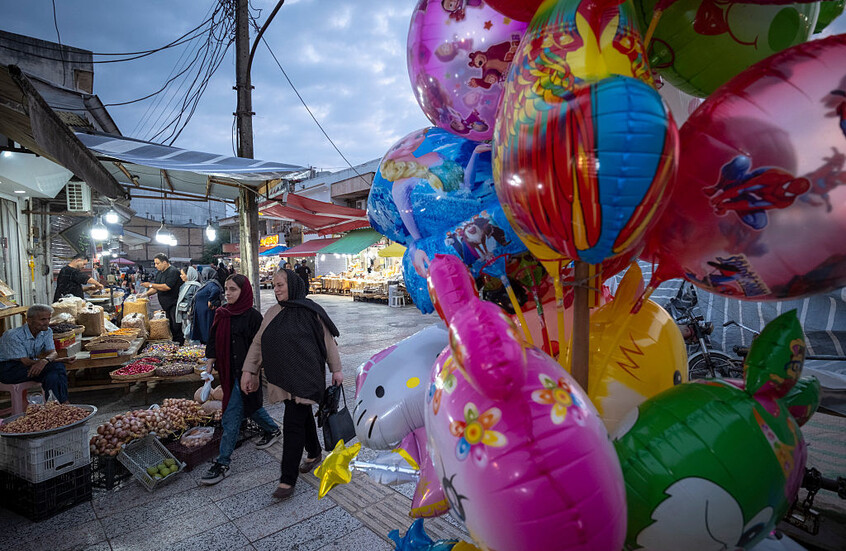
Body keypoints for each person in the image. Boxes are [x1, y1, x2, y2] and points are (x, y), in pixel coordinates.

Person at [241, 268, 342, 499]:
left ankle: (287, 479)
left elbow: (329, 342)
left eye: (280, 285)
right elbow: (258, 344)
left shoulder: (311, 311)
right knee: (300, 412)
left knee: (293, 420)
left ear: (293, 285)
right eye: (274, 285)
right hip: (282, 377)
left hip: (307, 375)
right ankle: (314, 452)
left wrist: (336, 370)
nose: (275, 290)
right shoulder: (272, 313)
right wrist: (249, 371)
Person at [201, 274, 281, 485]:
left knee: (231, 415)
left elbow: (262, 347)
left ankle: (223, 462)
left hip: (245, 373)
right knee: (249, 407)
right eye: (226, 289)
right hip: (228, 372)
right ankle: (273, 429)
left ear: (243, 292)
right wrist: (210, 361)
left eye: (233, 289)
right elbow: (212, 339)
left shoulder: (253, 317)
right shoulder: (221, 314)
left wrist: (255, 373)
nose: (227, 293)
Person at [0, 304, 74, 403]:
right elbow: (25, 361)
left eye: (48, 319)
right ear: (29, 321)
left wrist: (45, 361)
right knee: (57, 367)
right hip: (8, 370)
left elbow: (53, 353)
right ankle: (62, 404)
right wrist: (48, 362)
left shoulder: (47, 331)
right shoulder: (13, 336)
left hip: (28, 367)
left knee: (53, 374)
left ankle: (54, 406)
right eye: (43, 319)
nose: (47, 322)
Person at [140, 253, 184, 344]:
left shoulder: (173, 271)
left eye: (157, 263)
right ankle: (174, 344)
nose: (156, 266)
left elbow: (166, 287)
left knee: (176, 326)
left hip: (174, 303)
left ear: (164, 262)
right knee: (170, 326)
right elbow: (157, 287)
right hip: (166, 305)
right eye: (155, 263)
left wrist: (150, 284)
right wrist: (145, 294)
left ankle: (180, 345)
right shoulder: (160, 273)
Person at [191, 267, 224, 344]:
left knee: (206, 331)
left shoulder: (212, 283)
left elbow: (216, 290)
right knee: (202, 330)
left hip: (206, 313)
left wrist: (210, 300)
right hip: (202, 313)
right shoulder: (206, 284)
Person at [176, 266, 201, 344]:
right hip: (184, 314)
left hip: (191, 315)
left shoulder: (196, 286)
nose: (181, 276)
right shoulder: (184, 285)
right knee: (186, 333)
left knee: (192, 333)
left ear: (189, 275)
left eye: (182, 274)